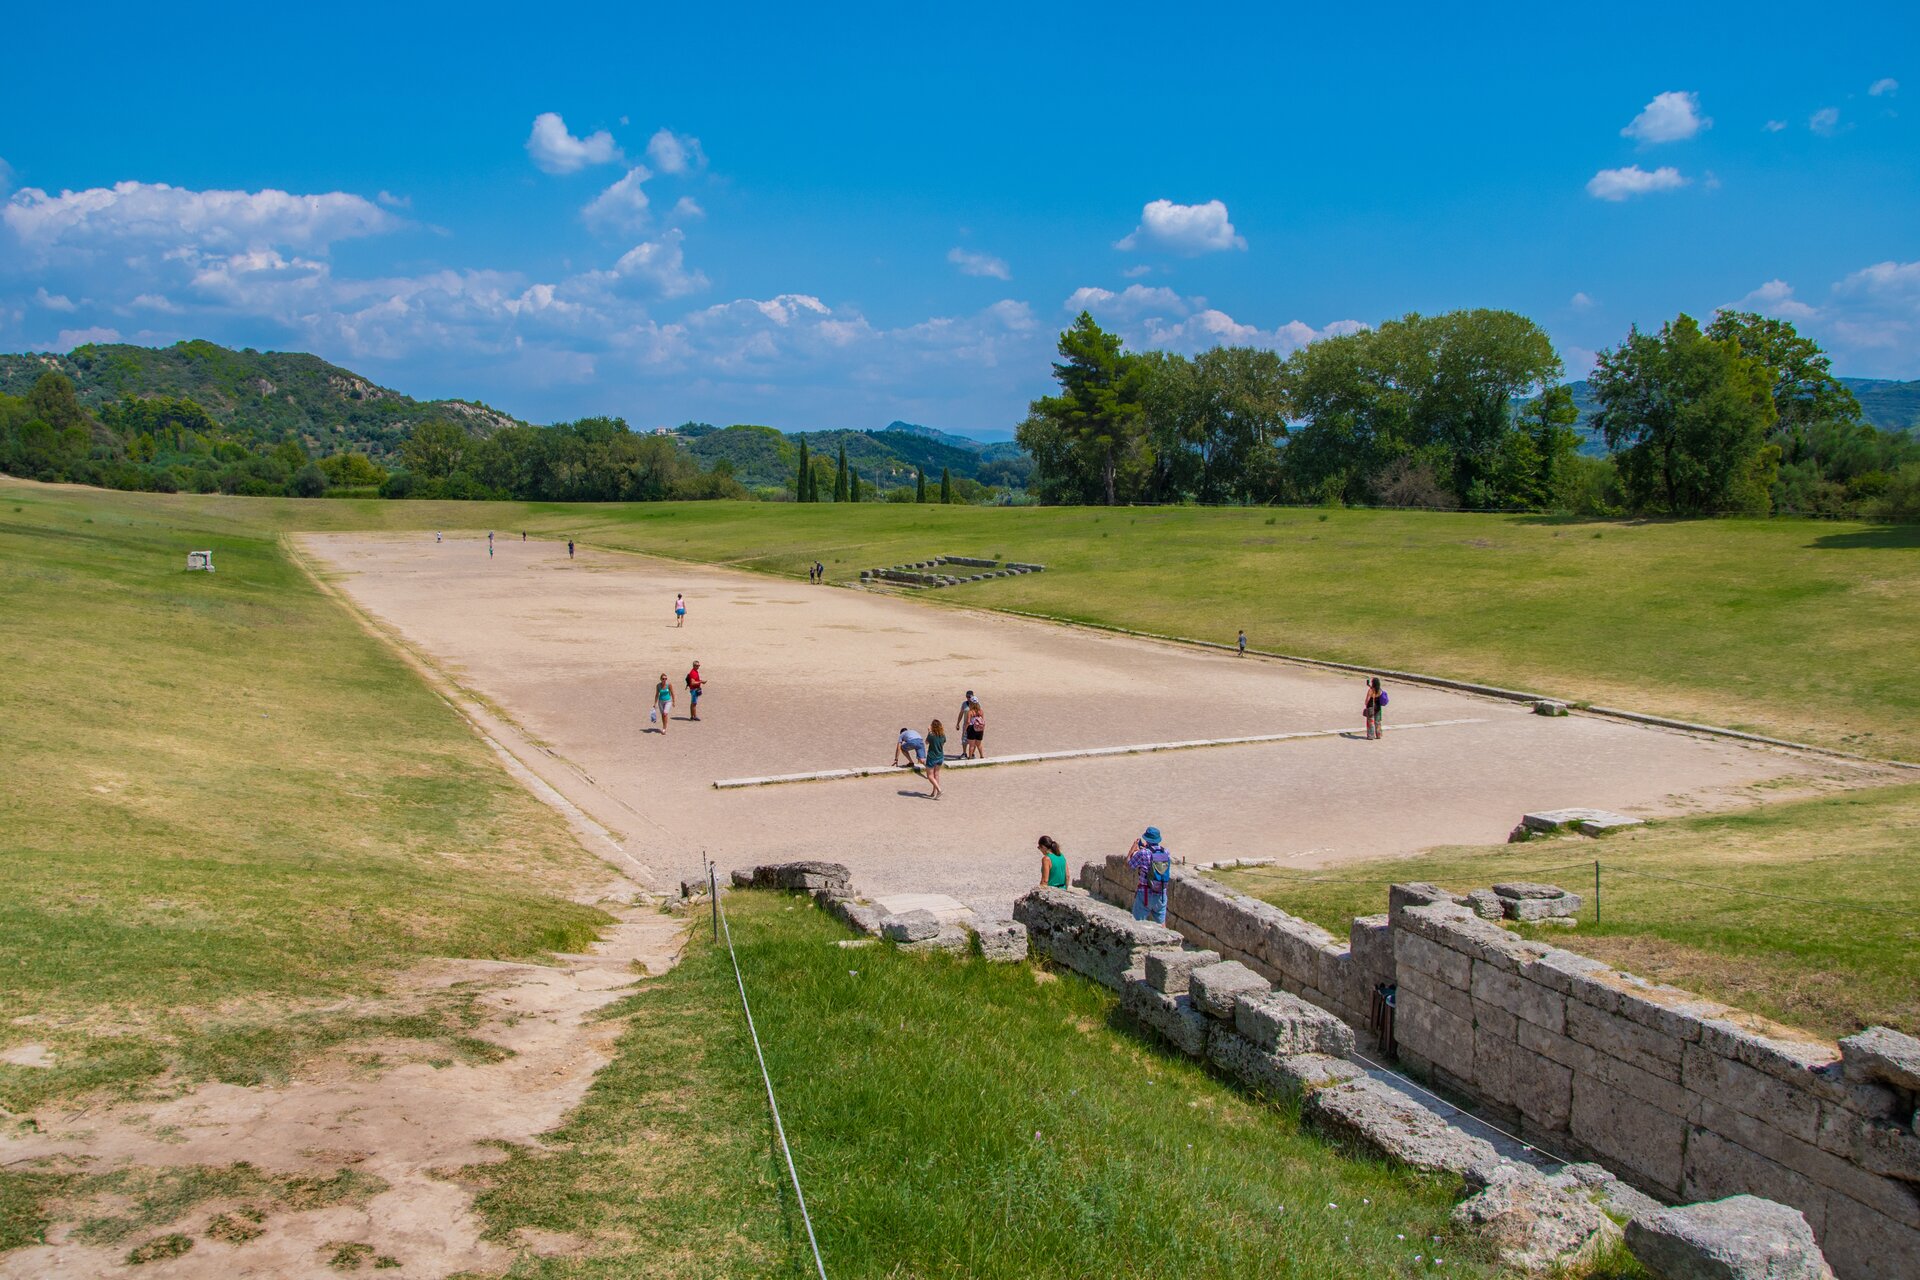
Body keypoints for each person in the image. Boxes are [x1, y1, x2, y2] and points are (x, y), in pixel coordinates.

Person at [1128, 826, 1172, 923]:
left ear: (1146, 839)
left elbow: (1130, 864)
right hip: (1161, 893)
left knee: (1137, 923)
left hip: (1145, 893)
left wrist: (1133, 848)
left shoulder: (1143, 853)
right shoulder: (1166, 852)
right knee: (1161, 925)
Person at [957, 691, 985, 759]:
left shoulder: (970, 712)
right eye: (967, 696)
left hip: (971, 728)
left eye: (969, 697)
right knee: (978, 743)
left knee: (971, 744)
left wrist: (965, 730)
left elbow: (968, 722)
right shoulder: (981, 711)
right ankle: (981, 756)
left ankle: (970, 756)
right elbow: (983, 721)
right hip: (979, 728)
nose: (968, 698)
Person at [924, 719, 947, 799]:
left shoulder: (931, 735)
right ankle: (934, 792)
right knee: (936, 775)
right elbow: (943, 743)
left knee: (930, 776)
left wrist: (929, 732)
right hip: (940, 756)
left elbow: (926, 742)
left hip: (932, 757)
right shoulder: (943, 735)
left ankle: (939, 790)